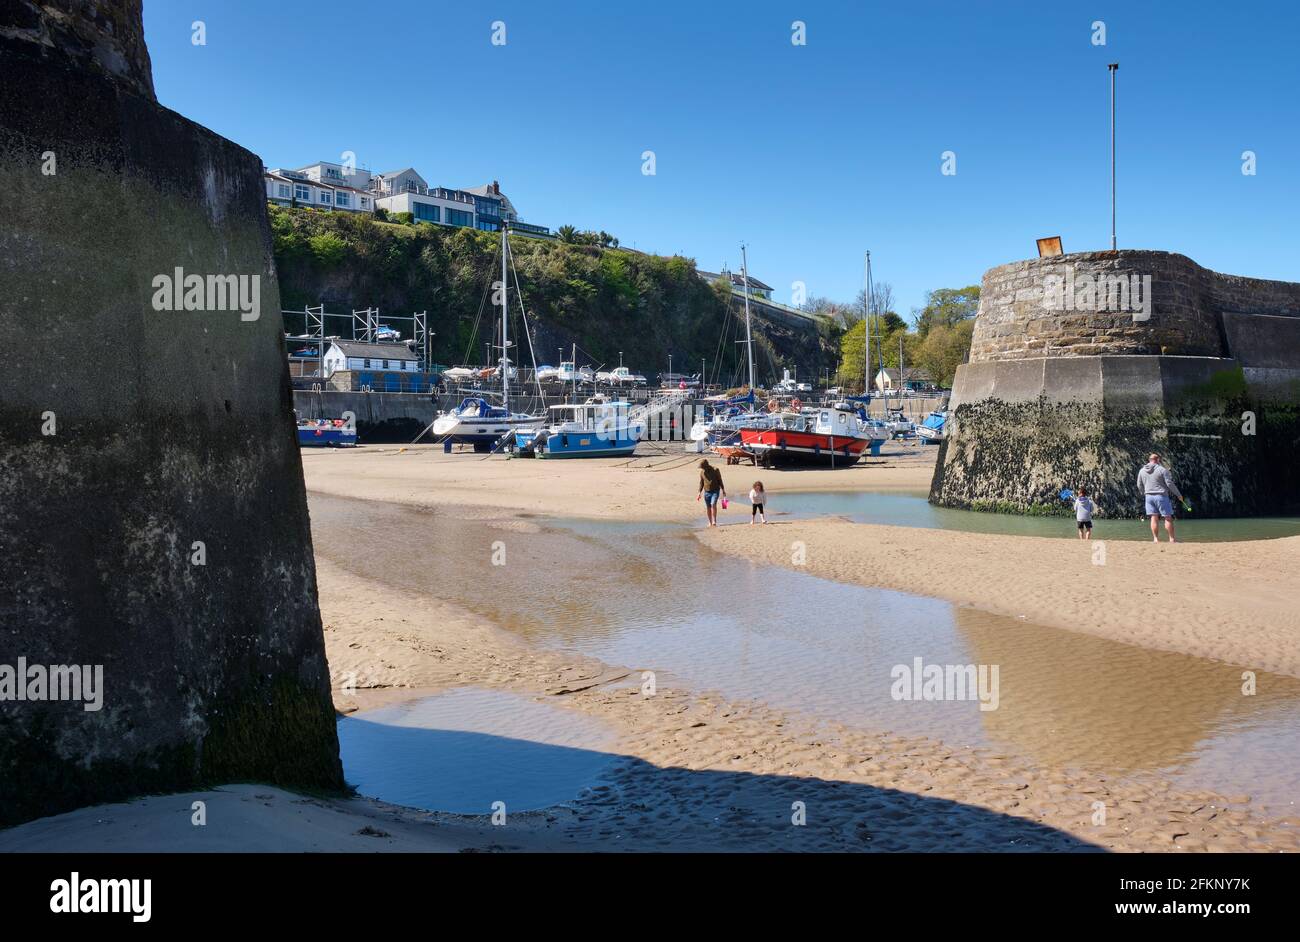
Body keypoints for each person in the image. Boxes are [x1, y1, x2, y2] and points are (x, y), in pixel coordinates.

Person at [1137, 453, 1183, 543]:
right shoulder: (1162, 470)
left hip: (1148, 497)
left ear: (1149, 460)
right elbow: (1169, 484)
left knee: (1154, 518)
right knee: (1168, 518)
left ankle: (1156, 539)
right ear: (1158, 460)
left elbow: (1139, 485)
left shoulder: (1141, 471)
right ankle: (1172, 539)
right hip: (1161, 496)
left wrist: (1144, 493)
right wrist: (1178, 495)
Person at [696, 458, 726, 527]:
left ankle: (714, 521)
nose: (702, 469)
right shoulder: (702, 472)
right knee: (708, 507)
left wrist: (723, 489)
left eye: (702, 467)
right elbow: (701, 483)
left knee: (713, 504)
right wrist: (699, 493)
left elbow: (720, 480)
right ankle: (710, 522)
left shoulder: (715, 470)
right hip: (707, 492)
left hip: (715, 491)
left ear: (706, 466)